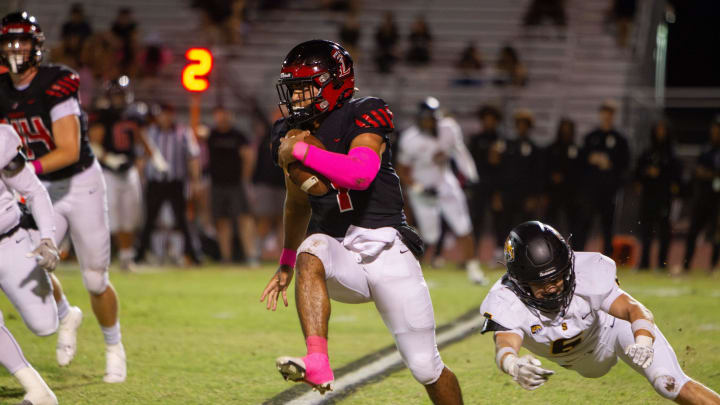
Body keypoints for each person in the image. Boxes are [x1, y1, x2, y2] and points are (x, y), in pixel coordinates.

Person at [260, 40, 464, 404]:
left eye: (305, 86)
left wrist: (302, 151)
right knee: (313, 246)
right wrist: (286, 263)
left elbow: (360, 175)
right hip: (341, 254)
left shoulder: (366, 112)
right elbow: (296, 204)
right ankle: (318, 362)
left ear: (334, 82)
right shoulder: (285, 132)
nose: (297, 96)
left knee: (425, 367)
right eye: (293, 87)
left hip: (387, 249)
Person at [0, 11, 126, 383]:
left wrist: (20, 175)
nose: (15, 49)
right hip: (38, 187)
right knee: (35, 255)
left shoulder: (57, 82)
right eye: (8, 41)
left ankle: (113, 345)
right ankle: (65, 312)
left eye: (22, 40)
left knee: (93, 278)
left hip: (79, 183)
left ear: (37, 45)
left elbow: (68, 150)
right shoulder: (1, 89)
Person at [479, 221, 720, 403]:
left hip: (611, 329)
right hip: (583, 362)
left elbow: (634, 309)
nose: (552, 288)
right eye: (541, 284)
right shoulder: (506, 299)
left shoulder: (586, 271)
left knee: (668, 383)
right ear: (521, 283)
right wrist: (513, 365)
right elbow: (505, 345)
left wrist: (644, 340)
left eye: (557, 277)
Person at [397, 97, 486, 284]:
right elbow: (402, 170)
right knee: (429, 235)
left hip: (445, 182)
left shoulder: (448, 128)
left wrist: (470, 177)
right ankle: (413, 271)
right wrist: (419, 188)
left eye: (433, 118)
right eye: (427, 118)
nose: (430, 122)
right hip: (421, 188)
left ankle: (473, 269)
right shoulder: (410, 138)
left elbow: (459, 152)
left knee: (463, 225)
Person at [89, 76, 160, 271]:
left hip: (128, 170)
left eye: (121, 95)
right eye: (116, 95)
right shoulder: (102, 115)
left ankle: (127, 257)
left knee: (131, 215)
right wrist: (109, 158)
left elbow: (142, 139)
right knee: (111, 216)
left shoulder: (134, 115)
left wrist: (155, 158)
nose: (119, 99)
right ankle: (103, 256)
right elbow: (93, 143)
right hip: (109, 172)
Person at [135, 103, 203, 266]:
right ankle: (139, 254)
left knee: (183, 220)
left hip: (175, 182)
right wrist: (139, 179)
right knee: (149, 220)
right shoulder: (150, 133)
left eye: (167, 114)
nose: (164, 118)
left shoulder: (182, 132)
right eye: (161, 114)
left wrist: (195, 181)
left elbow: (192, 157)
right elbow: (141, 158)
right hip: (155, 182)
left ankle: (193, 254)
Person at [574, 100, 630, 255]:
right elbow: (580, 160)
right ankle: (578, 256)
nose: (607, 116)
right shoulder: (591, 137)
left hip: (609, 190)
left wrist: (610, 164)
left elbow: (625, 164)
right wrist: (591, 158)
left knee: (608, 227)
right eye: (604, 113)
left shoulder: (620, 139)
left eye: (610, 113)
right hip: (590, 190)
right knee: (584, 224)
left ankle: (607, 259)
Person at [206, 105, 256, 264]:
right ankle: (225, 257)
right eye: (219, 115)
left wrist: (245, 178)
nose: (222, 118)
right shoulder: (212, 135)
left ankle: (250, 256)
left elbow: (249, 157)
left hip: (236, 184)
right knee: (221, 221)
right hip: (217, 185)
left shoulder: (238, 136)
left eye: (225, 115)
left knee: (244, 218)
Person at [634, 121, 682, 271]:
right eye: (658, 129)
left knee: (664, 230)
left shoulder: (671, 154)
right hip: (648, 197)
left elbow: (677, 177)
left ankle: (662, 263)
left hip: (664, 198)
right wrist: (645, 175)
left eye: (663, 130)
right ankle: (644, 262)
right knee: (646, 230)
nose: (660, 133)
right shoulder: (647, 152)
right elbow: (637, 173)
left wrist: (661, 175)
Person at [495, 109, 542, 240]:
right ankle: (502, 249)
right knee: (505, 222)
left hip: (525, 194)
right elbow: (501, 170)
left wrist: (534, 196)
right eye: (519, 124)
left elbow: (536, 174)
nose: (521, 127)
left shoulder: (534, 148)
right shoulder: (507, 145)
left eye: (524, 124)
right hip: (508, 192)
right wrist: (498, 192)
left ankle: (524, 252)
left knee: (525, 226)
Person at [681, 118, 720, 272]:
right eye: (714, 128)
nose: (716, 131)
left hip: (718, 199)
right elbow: (697, 171)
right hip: (703, 196)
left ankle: (713, 267)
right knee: (693, 231)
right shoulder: (706, 148)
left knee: (717, 233)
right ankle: (686, 265)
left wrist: (709, 174)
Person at [467, 105, 506, 255]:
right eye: (486, 119)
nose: (489, 122)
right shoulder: (476, 140)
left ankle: (498, 253)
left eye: (492, 119)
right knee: (477, 219)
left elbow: (502, 167)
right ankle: (473, 253)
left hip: (496, 186)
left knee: (499, 221)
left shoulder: (501, 140)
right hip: (479, 186)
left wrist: (500, 191)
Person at [543, 118, 582, 237]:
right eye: (564, 129)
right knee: (550, 225)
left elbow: (580, 170)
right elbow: (544, 169)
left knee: (573, 225)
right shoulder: (551, 149)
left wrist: (565, 178)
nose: (566, 132)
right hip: (553, 192)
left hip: (571, 193)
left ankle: (574, 249)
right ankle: (550, 249)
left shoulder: (577, 150)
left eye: (568, 130)